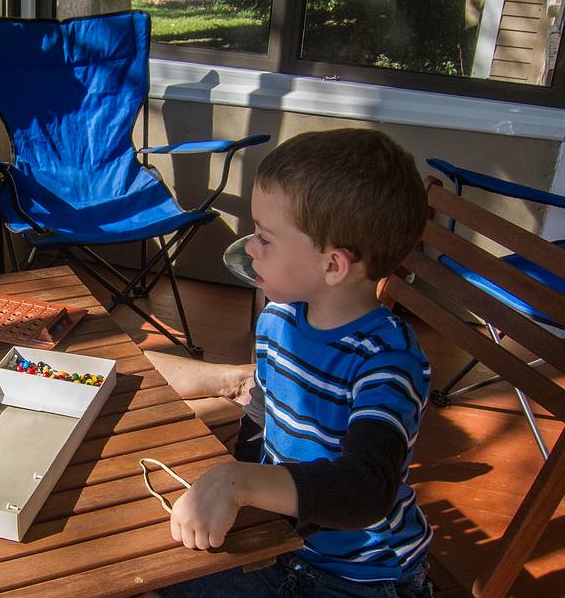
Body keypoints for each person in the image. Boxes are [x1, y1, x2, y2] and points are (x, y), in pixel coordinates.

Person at [155, 128, 433, 597]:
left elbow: (366, 489)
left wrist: (238, 483)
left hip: (359, 576)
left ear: (333, 266)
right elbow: (266, 413)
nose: (249, 248)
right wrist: (232, 482)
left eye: (265, 237)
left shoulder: (386, 362)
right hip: (285, 544)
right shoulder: (281, 317)